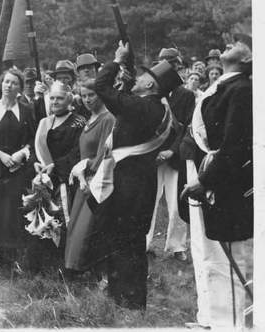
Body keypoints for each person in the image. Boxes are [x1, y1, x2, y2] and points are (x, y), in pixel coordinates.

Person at [93, 42, 181, 310]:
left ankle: (127, 299)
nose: (139, 79)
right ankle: (127, 298)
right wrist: (127, 75)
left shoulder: (141, 107)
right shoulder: (155, 107)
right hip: (141, 182)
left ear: (150, 86)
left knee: (124, 239)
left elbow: (100, 87)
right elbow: (123, 100)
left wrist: (118, 62)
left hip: (128, 185)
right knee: (130, 241)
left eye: (144, 77)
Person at [181, 42, 252, 329]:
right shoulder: (224, 87)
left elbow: (234, 146)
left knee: (230, 265)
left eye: (238, 43)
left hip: (227, 187)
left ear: (248, 57)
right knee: (217, 260)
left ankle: (232, 325)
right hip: (216, 185)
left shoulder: (242, 90)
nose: (228, 44)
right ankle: (217, 319)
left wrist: (205, 180)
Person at [0, 68, 36, 272]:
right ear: (1, 84)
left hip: (17, 170)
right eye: (6, 82)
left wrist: (22, 153)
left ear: (20, 88)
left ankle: (14, 259)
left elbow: (32, 139)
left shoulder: (27, 110)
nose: (9, 85)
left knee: (13, 213)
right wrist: (1, 155)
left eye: (14, 83)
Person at [28, 81, 86, 271]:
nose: (55, 101)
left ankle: (67, 266)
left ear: (69, 100)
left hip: (66, 181)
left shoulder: (78, 122)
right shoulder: (44, 122)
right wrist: (36, 161)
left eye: (59, 98)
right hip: (45, 181)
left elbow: (78, 152)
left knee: (64, 221)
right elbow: (36, 148)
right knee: (43, 220)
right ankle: (46, 266)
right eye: (52, 98)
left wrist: (56, 166)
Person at [146, 48, 195, 262]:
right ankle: (144, 243)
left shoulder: (186, 95)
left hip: (174, 157)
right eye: (162, 63)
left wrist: (171, 150)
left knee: (176, 204)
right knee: (149, 201)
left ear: (177, 67)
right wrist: (156, 151)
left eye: (170, 64)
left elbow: (185, 128)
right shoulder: (152, 94)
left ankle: (177, 246)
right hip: (153, 156)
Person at [65, 79, 116, 273]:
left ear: (101, 95)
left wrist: (87, 166)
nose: (87, 100)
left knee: (87, 227)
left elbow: (105, 153)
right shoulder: (90, 118)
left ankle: (86, 271)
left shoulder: (107, 119)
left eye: (91, 95)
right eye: (84, 96)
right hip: (83, 179)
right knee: (76, 225)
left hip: (96, 180)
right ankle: (73, 269)